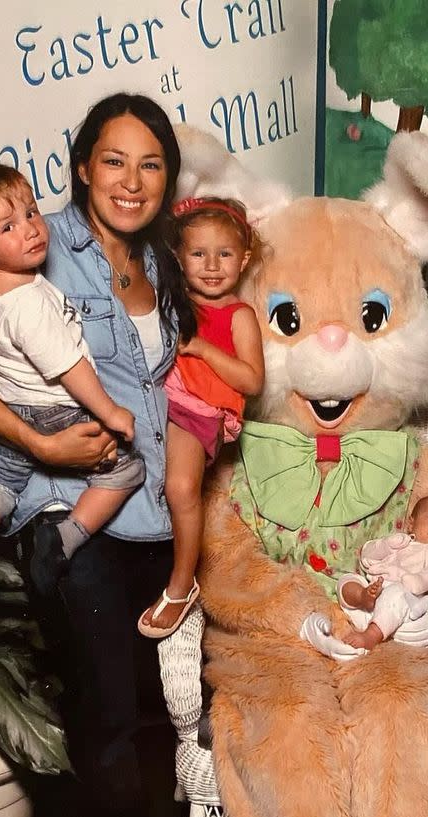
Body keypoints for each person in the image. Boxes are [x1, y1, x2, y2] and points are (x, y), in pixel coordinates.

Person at [0, 92, 197, 817]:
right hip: (70, 518)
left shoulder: (164, 261)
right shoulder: (28, 244)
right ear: (81, 165)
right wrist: (39, 440)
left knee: (151, 718)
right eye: (113, 160)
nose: (132, 180)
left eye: (150, 163)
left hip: (161, 515)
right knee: (107, 720)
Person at [0, 163, 144, 612]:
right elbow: (70, 369)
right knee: (128, 471)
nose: (31, 230)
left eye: (31, 213)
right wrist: (110, 413)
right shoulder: (29, 305)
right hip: (58, 411)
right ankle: (64, 539)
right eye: (8, 227)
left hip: (11, 407)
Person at [138, 196, 264, 638]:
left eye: (225, 254)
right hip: (156, 397)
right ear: (178, 257)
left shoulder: (238, 316)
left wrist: (203, 348)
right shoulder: (172, 299)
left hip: (199, 409)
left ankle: (181, 585)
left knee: (180, 486)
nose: (212, 265)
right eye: (198, 253)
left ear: (244, 259)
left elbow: (252, 380)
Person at [337, 493, 428, 650]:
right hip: (370, 601)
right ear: (411, 523)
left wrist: (413, 580)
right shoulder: (401, 541)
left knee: (396, 592)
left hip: (404, 604)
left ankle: (372, 635)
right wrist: (386, 545)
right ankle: (363, 597)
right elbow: (366, 555)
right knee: (347, 580)